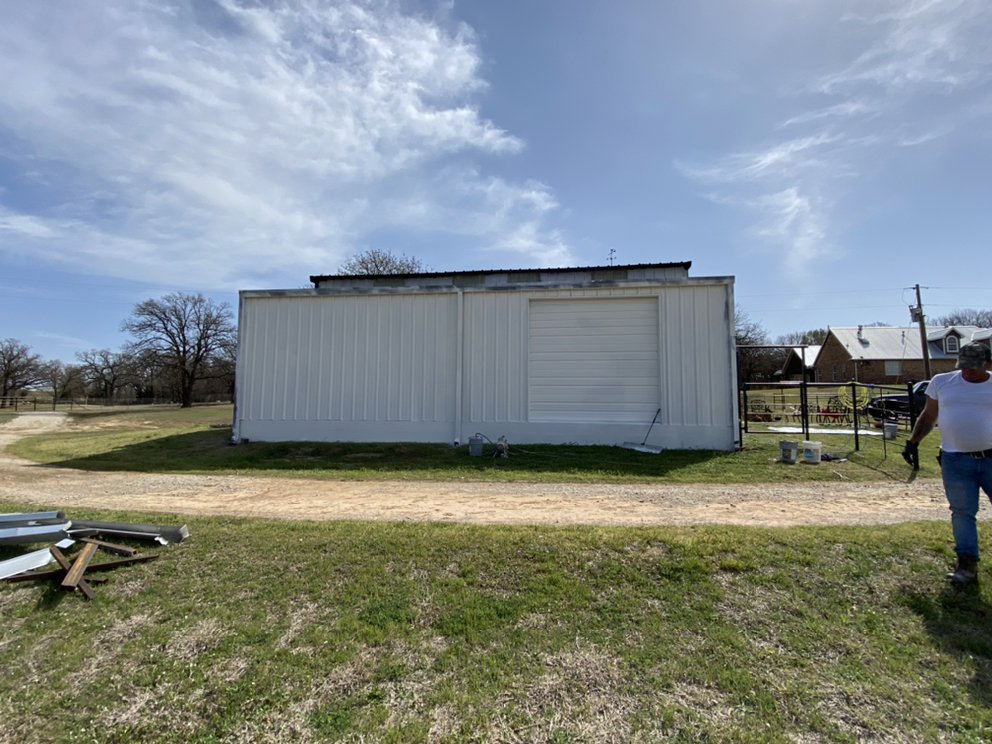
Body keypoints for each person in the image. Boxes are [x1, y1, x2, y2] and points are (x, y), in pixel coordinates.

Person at [903, 341, 992, 587]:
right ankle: (967, 566)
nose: (968, 372)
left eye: (974, 367)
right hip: (955, 461)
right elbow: (929, 416)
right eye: (964, 366)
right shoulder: (942, 382)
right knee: (962, 513)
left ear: (989, 364)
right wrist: (913, 442)